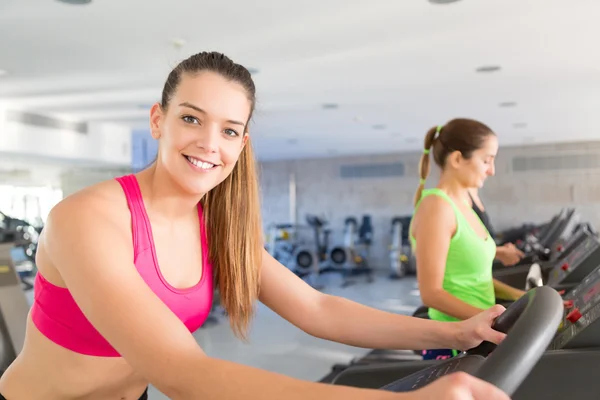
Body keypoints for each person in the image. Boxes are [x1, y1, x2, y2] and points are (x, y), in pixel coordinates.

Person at [0, 52, 510, 400]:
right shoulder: (89, 219)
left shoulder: (215, 227)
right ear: (159, 120)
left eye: (228, 130)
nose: (209, 144)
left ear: (242, 145)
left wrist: (459, 332)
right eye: (191, 119)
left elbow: (317, 308)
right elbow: (182, 373)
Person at [409, 119, 527, 361]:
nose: (492, 170)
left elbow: (475, 279)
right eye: (486, 160)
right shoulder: (437, 207)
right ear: (457, 159)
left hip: (478, 334)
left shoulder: (464, 205)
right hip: (455, 343)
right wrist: (495, 322)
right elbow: (431, 293)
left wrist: (522, 298)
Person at [467, 187, 525, 267]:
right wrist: (498, 252)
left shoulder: (472, 193)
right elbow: (461, 248)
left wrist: (501, 249)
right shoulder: (453, 202)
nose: (491, 173)